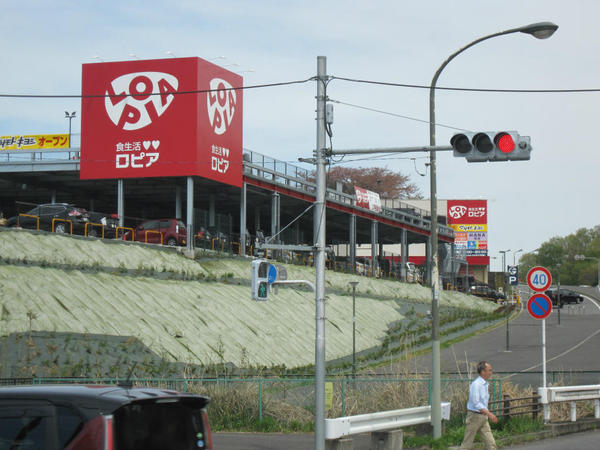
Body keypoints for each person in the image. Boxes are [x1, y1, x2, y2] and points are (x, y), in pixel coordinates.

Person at [460, 361, 498, 450]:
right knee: (467, 444)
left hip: (483, 417)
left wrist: (487, 414)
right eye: (489, 370)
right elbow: (476, 403)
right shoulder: (476, 385)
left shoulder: (485, 384)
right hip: (474, 417)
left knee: (491, 444)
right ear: (483, 372)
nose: (491, 373)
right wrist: (490, 414)